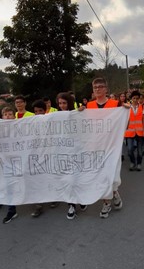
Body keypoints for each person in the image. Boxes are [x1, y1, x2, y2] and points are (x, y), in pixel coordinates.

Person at [87, 78, 129, 218]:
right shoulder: (89, 106)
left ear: (106, 89)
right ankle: (108, 201)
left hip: (112, 147)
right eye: (95, 87)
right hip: (96, 146)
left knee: (111, 175)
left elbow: (124, 123)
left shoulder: (115, 104)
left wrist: (126, 111)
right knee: (100, 176)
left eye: (100, 87)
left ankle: (113, 193)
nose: (97, 89)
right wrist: (79, 112)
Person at [57, 92, 88, 220]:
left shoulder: (76, 114)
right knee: (68, 180)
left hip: (76, 151)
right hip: (63, 153)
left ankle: (80, 199)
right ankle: (71, 205)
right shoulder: (56, 116)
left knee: (77, 178)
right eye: (60, 103)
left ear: (69, 103)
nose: (62, 106)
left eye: (64, 103)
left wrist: (81, 111)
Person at [30, 100, 59, 217]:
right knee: (37, 179)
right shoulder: (30, 123)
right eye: (35, 111)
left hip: (49, 154)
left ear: (45, 110)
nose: (38, 113)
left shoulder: (51, 121)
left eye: (40, 111)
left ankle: (53, 197)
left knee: (49, 176)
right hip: (36, 155)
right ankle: (39, 205)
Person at [1, 106, 19, 224]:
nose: (8, 116)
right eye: (5, 115)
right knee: (9, 185)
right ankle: (12, 209)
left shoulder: (21, 127)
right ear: (2, 117)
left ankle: (37, 203)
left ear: (14, 116)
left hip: (21, 161)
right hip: (7, 163)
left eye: (10, 114)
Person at [124, 91, 144, 171]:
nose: (136, 100)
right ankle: (133, 162)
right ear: (131, 99)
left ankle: (139, 163)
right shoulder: (128, 107)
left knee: (140, 151)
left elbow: (143, 119)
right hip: (130, 131)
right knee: (130, 150)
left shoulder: (142, 107)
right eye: (134, 98)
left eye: (137, 98)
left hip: (139, 131)